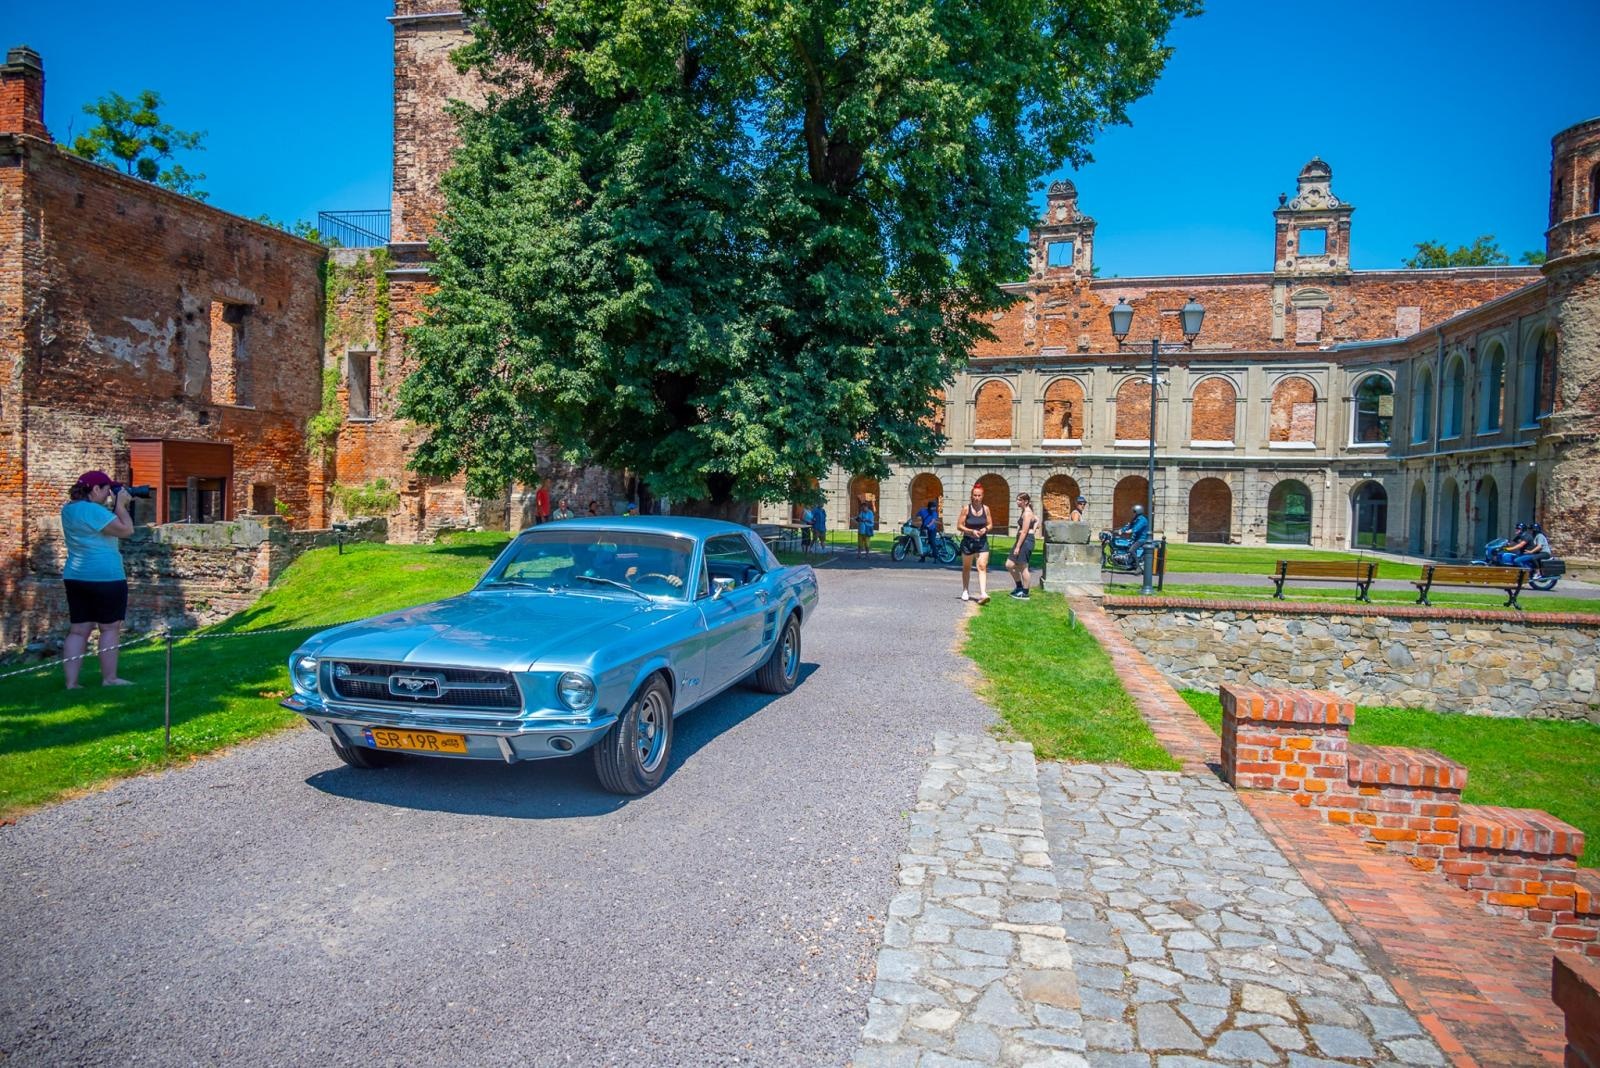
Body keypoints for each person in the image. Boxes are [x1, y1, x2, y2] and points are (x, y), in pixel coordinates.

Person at [60, 470, 136, 689]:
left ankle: (71, 683)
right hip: (106, 576)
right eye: (106, 489)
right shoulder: (94, 511)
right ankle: (110, 678)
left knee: (78, 630)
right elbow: (127, 530)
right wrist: (120, 505)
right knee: (110, 628)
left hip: (76, 576)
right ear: (95, 489)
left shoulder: (69, 509)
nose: (107, 494)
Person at [958, 483, 992, 603]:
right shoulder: (966, 509)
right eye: (975, 495)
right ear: (971, 496)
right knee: (966, 567)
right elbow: (959, 526)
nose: (977, 498)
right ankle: (965, 590)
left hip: (982, 541)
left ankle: (983, 593)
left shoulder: (986, 509)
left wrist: (985, 529)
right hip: (968, 541)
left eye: (979, 495)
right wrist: (971, 531)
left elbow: (990, 524)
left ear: (982, 496)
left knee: (982, 566)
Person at [1006, 492, 1039, 599]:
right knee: (1009, 564)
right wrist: (1033, 529)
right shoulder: (1026, 512)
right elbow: (1037, 519)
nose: (1017, 502)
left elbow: (1024, 532)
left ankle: (1025, 593)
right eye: (1017, 499)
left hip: (1025, 541)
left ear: (1026, 501)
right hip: (1022, 540)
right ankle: (1019, 587)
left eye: (1020, 500)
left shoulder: (1027, 513)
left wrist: (1018, 547)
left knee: (1023, 567)